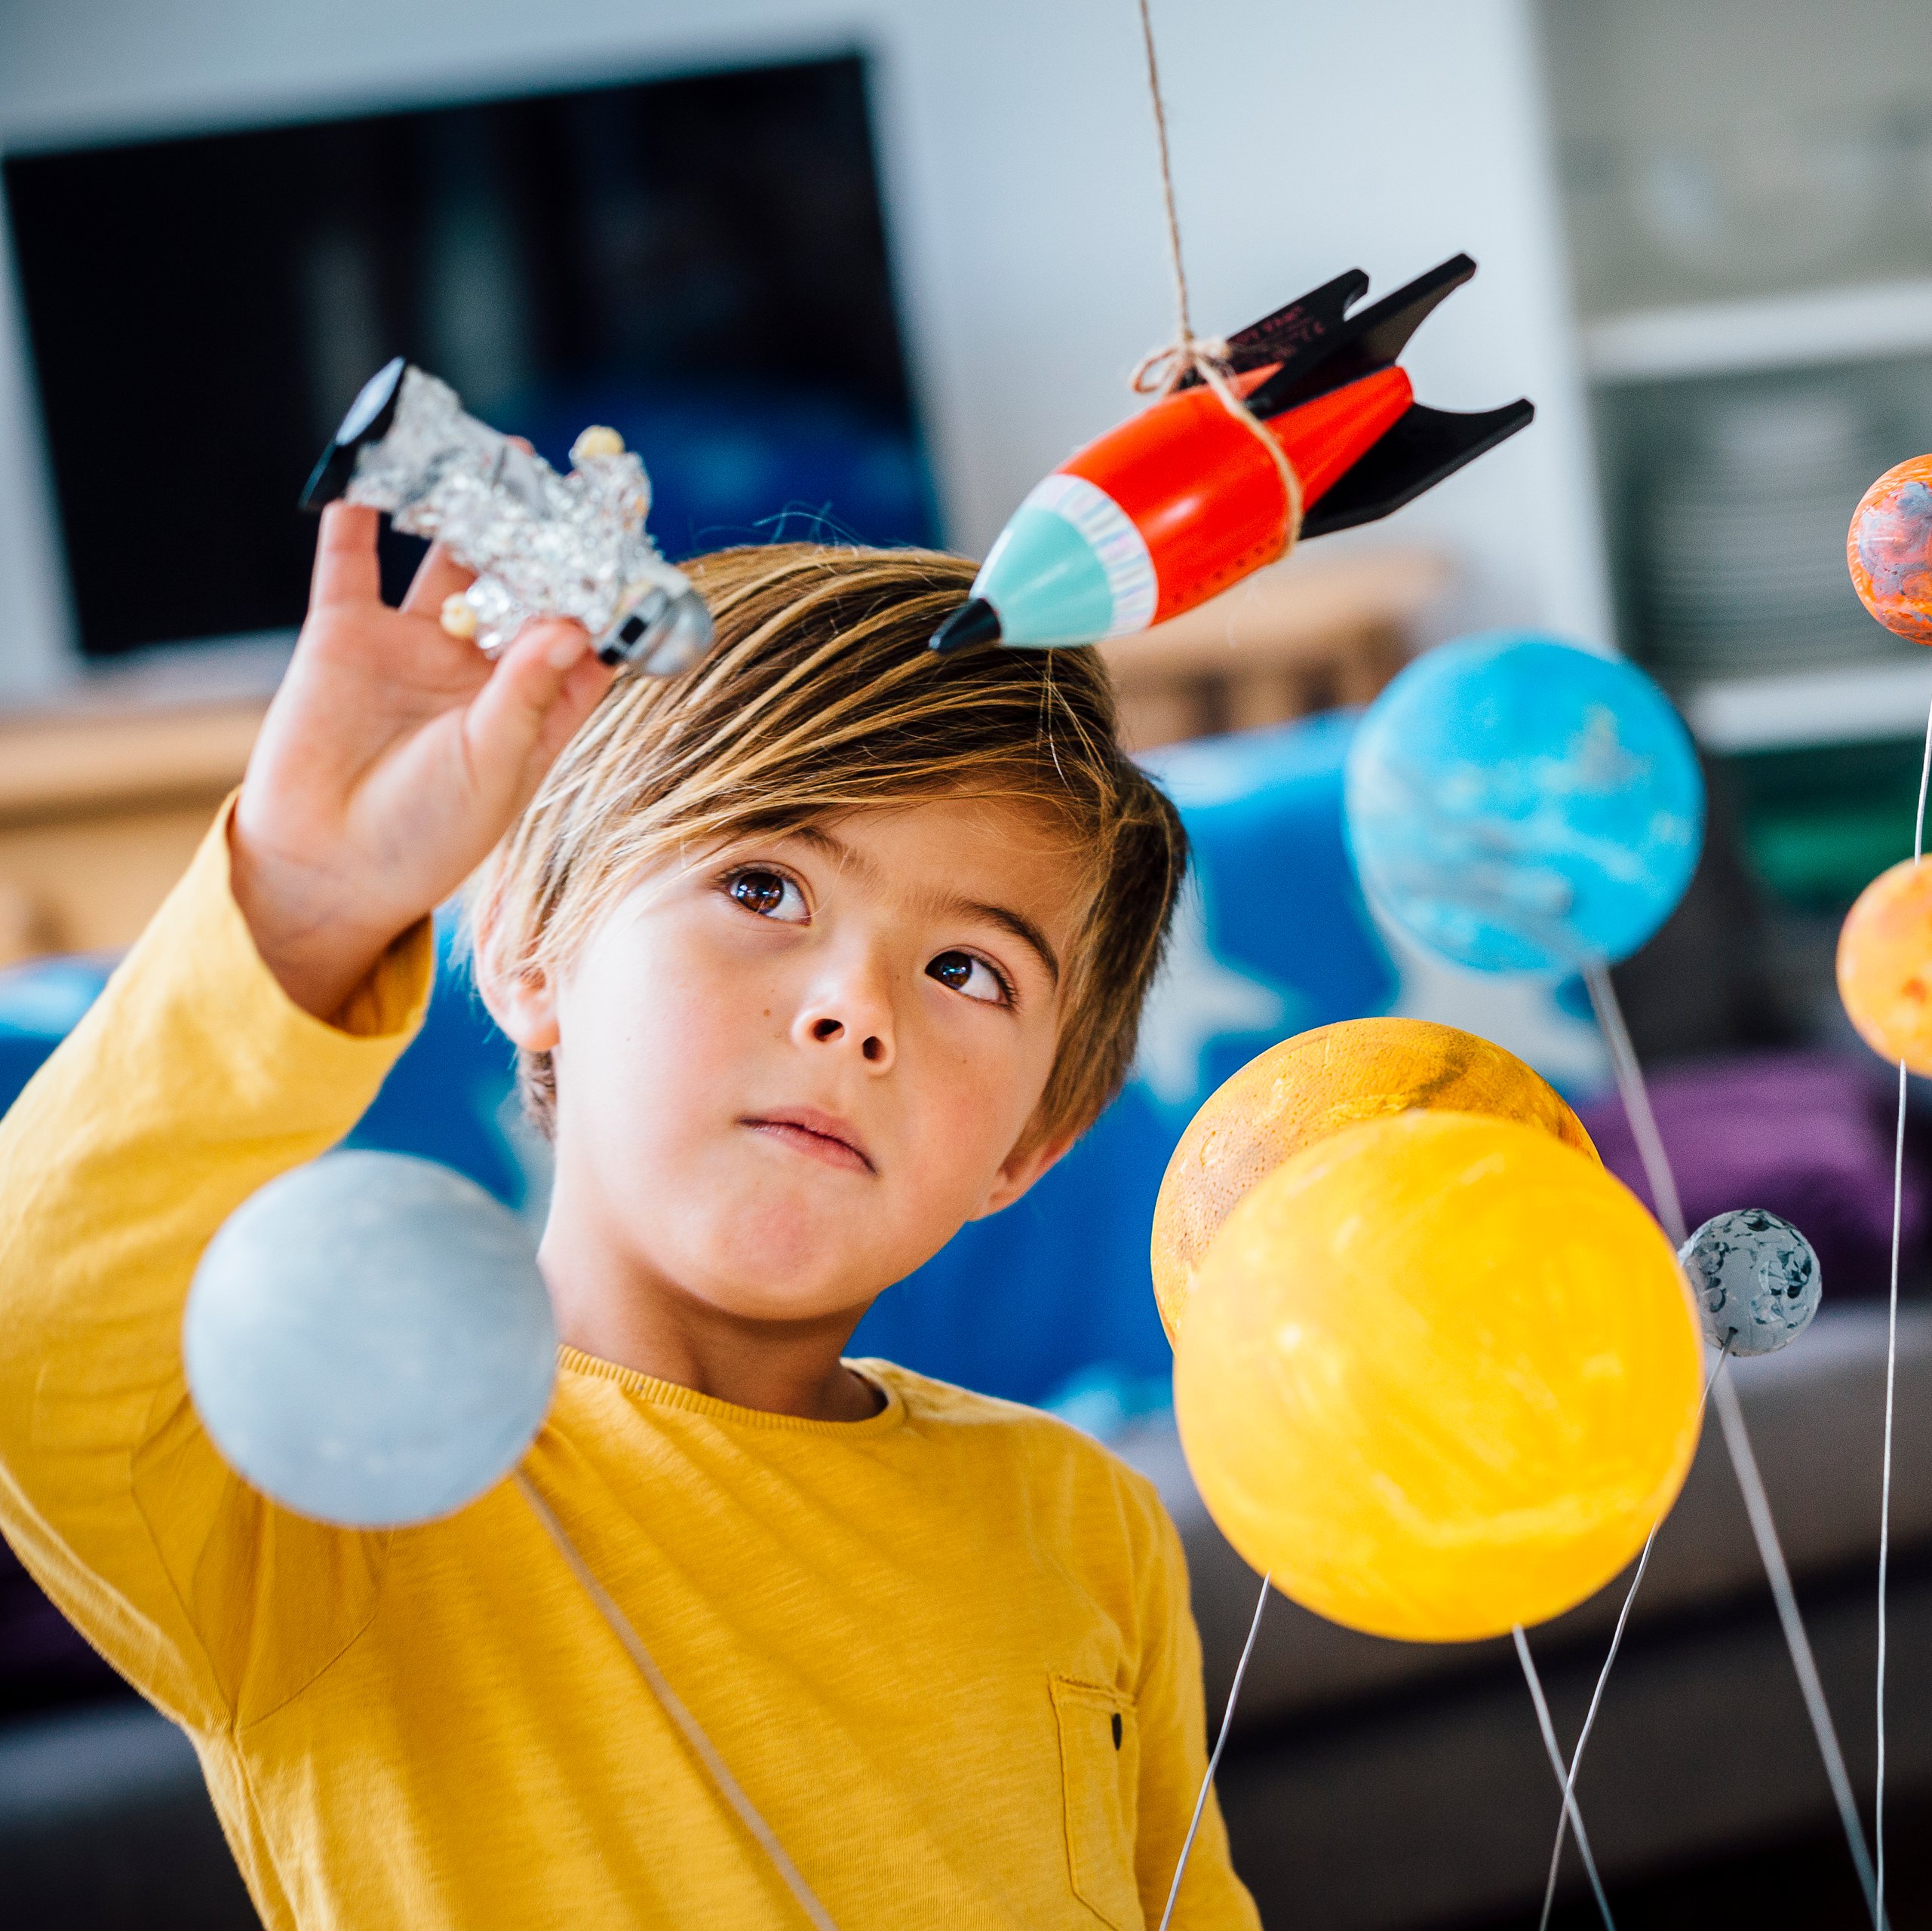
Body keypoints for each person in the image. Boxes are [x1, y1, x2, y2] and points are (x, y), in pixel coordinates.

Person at [0, 502, 1258, 1928]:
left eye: (969, 970)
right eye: (764, 886)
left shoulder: (1087, 1523)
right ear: (532, 947)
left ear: (1028, 1147)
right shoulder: (339, 1496)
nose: (853, 1010)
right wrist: (301, 908)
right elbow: (35, 1312)